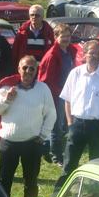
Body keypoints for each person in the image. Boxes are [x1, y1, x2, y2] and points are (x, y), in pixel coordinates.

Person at [0, 55, 56, 197]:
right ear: (18, 69)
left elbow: (51, 114)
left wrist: (43, 135)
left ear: (36, 71)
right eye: (24, 68)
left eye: (32, 68)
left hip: (32, 143)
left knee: (31, 182)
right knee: (4, 180)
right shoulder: (7, 87)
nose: (28, 71)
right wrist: (6, 99)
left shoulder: (43, 89)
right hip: (9, 143)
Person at [56, 41, 99, 190]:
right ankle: (60, 194)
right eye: (91, 53)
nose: (95, 56)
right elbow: (67, 100)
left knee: (97, 165)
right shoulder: (75, 73)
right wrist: (70, 122)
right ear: (84, 54)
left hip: (97, 126)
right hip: (77, 125)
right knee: (69, 164)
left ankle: (95, 196)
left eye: (98, 53)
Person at [37, 23, 77, 164]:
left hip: (68, 94)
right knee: (56, 127)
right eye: (63, 36)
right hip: (56, 96)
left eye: (68, 36)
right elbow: (47, 81)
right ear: (55, 37)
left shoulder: (70, 51)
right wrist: (61, 94)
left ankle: (46, 150)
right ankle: (56, 156)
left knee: (64, 125)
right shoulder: (52, 55)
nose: (66, 39)